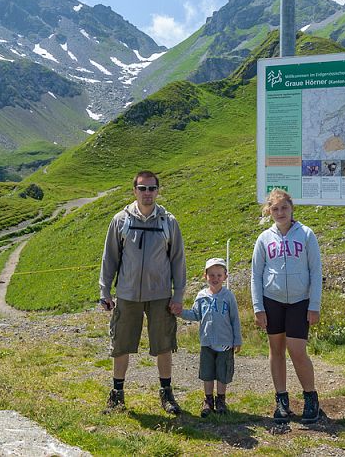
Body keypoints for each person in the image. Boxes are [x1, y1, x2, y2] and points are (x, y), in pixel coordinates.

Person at [99, 170, 186, 414]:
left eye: (152, 188)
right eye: (142, 188)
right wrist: (105, 290)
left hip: (160, 295)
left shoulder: (168, 222)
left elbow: (178, 260)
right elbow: (109, 258)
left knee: (164, 345)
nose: (147, 193)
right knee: (121, 344)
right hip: (127, 294)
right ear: (134, 191)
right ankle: (117, 394)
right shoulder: (120, 220)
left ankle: (166, 394)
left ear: (158, 191)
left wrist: (178, 295)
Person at [251, 188, 325, 424]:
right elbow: (256, 275)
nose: (280, 212)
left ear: (292, 208)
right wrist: (258, 307)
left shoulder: (306, 234)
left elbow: (316, 271)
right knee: (276, 350)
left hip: (299, 302)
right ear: (269, 211)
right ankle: (281, 400)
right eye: (275, 209)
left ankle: (310, 398)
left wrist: (314, 305)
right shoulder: (264, 238)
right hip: (272, 300)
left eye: (284, 207)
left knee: (297, 351)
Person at [180, 258, 242, 417]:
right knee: (207, 373)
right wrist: (180, 312)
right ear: (205, 276)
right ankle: (208, 400)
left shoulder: (229, 296)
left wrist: (237, 340)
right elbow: (195, 314)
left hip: (225, 343)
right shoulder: (201, 296)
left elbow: (235, 319)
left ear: (225, 277)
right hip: (207, 342)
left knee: (222, 373)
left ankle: (221, 400)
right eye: (212, 275)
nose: (215, 278)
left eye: (219, 275)